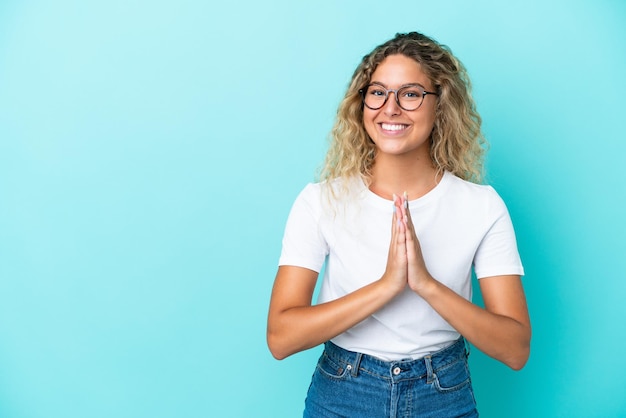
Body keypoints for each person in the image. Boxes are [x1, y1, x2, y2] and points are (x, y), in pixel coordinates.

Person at [267, 31, 531, 417]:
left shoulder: (482, 207)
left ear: (441, 106)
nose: (390, 108)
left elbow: (515, 348)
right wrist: (386, 286)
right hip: (342, 393)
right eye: (378, 93)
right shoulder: (320, 201)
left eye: (410, 94)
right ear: (362, 104)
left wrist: (425, 284)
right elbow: (281, 337)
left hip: (443, 393)